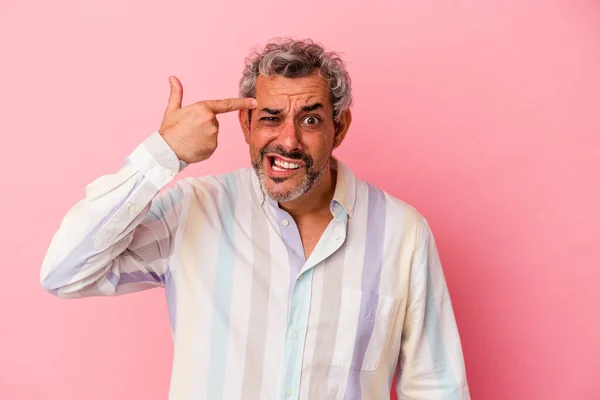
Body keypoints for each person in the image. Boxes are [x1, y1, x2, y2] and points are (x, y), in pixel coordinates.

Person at [41, 38, 470, 400]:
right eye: (270, 118)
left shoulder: (403, 233)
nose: (288, 140)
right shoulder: (194, 210)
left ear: (339, 129)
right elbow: (65, 273)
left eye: (311, 119)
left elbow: (437, 386)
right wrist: (163, 155)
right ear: (245, 124)